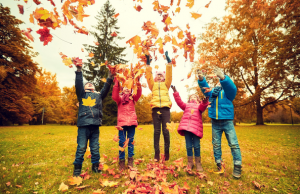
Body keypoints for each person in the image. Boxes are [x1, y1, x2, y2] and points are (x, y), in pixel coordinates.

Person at [197, 68, 242, 178]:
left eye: (220, 80)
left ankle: (237, 166)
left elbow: (232, 87)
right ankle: (219, 164)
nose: (219, 81)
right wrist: (201, 79)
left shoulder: (228, 94)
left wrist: (223, 78)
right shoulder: (212, 93)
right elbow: (205, 89)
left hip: (227, 122)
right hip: (215, 122)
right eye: (218, 80)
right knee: (216, 144)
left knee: (233, 144)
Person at [73, 65, 113, 176]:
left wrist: (110, 77)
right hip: (83, 125)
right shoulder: (82, 95)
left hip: (95, 126)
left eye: (91, 84)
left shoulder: (99, 96)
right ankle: (77, 170)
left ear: (94, 88)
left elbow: (106, 88)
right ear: (84, 88)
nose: (89, 84)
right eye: (87, 84)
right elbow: (78, 84)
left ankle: (95, 167)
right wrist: (79, 71)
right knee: (81, 147)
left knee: (95, 147)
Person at [171, 85, 209, 171]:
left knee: (196, 146)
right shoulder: (186, 105)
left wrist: (205, 102)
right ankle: (190, 162)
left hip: (196, 129)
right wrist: (175, 92)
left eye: (195, 96)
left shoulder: (199, 106)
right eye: (191, 96)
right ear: (189, 99)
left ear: (198, 99)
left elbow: (203, 106)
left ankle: (198, 163)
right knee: (188, 146)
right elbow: (179, 102)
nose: (193, 97)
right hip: (187, 128)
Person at [145, 51, 172, 161]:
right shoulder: (153, 85)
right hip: (155, 109)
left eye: (162, 75)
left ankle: (166, 153)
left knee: (166, 131)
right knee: (157, 131)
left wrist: (169, 62)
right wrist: (148, 64)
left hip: (165, 109)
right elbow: (148, 77)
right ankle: (157, 154)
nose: (160, 76)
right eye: (158, 75)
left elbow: (170, 75)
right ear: (156, 78)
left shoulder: (167, 84)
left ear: (164, 78)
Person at [112, 78, 142, 171]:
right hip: (122, 123)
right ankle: (121, 161)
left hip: (132, 123)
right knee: (122, 142)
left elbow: (139, 93)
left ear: (131, 89)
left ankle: (130, 160)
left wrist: (137, 81)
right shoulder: (120, 98)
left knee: (131, 142)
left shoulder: (133, 98)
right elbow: (114, 95)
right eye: (125, 87)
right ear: (122, 89)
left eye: (128, 87)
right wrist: (116, 83)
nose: (127, 88)